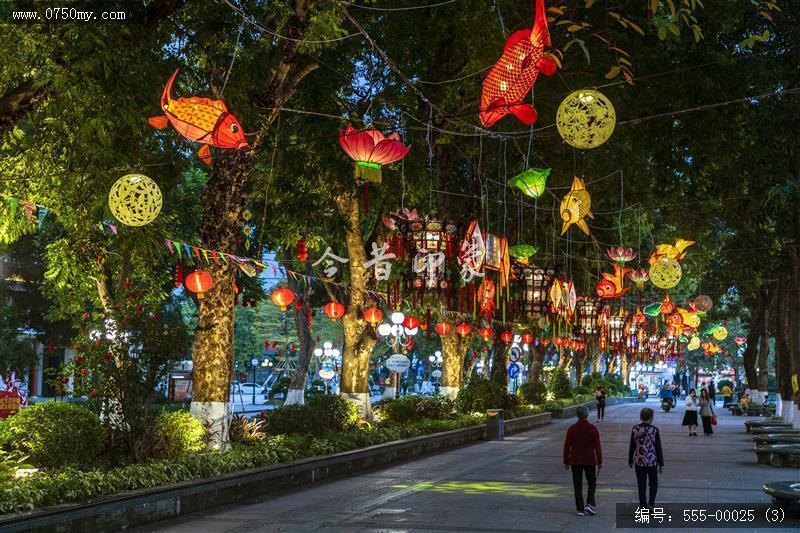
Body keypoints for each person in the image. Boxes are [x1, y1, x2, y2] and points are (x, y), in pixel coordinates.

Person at [563, 406, 602, 516]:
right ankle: (589, 504)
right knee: (592, 482)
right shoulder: (593, 429)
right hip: (589, 459)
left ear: (577, 415)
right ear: (587, 414)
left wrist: (566, 461)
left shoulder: (572, 429)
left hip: (575, 460)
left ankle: (580, 509)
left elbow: (567, 446)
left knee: (577, 484)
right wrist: (600, 461)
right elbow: (597, 447)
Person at [628, 408, 664, 509]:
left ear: (641, 417)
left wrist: (630, 459)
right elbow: (658, 448)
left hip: (639, 462)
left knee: (641, 484)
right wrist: (661, 464)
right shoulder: (654, 430)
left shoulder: (635, 429)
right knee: (653, 483)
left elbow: (632, 446)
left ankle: (643, 506)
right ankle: (651, 504)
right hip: (652, 462)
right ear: (651, 418)